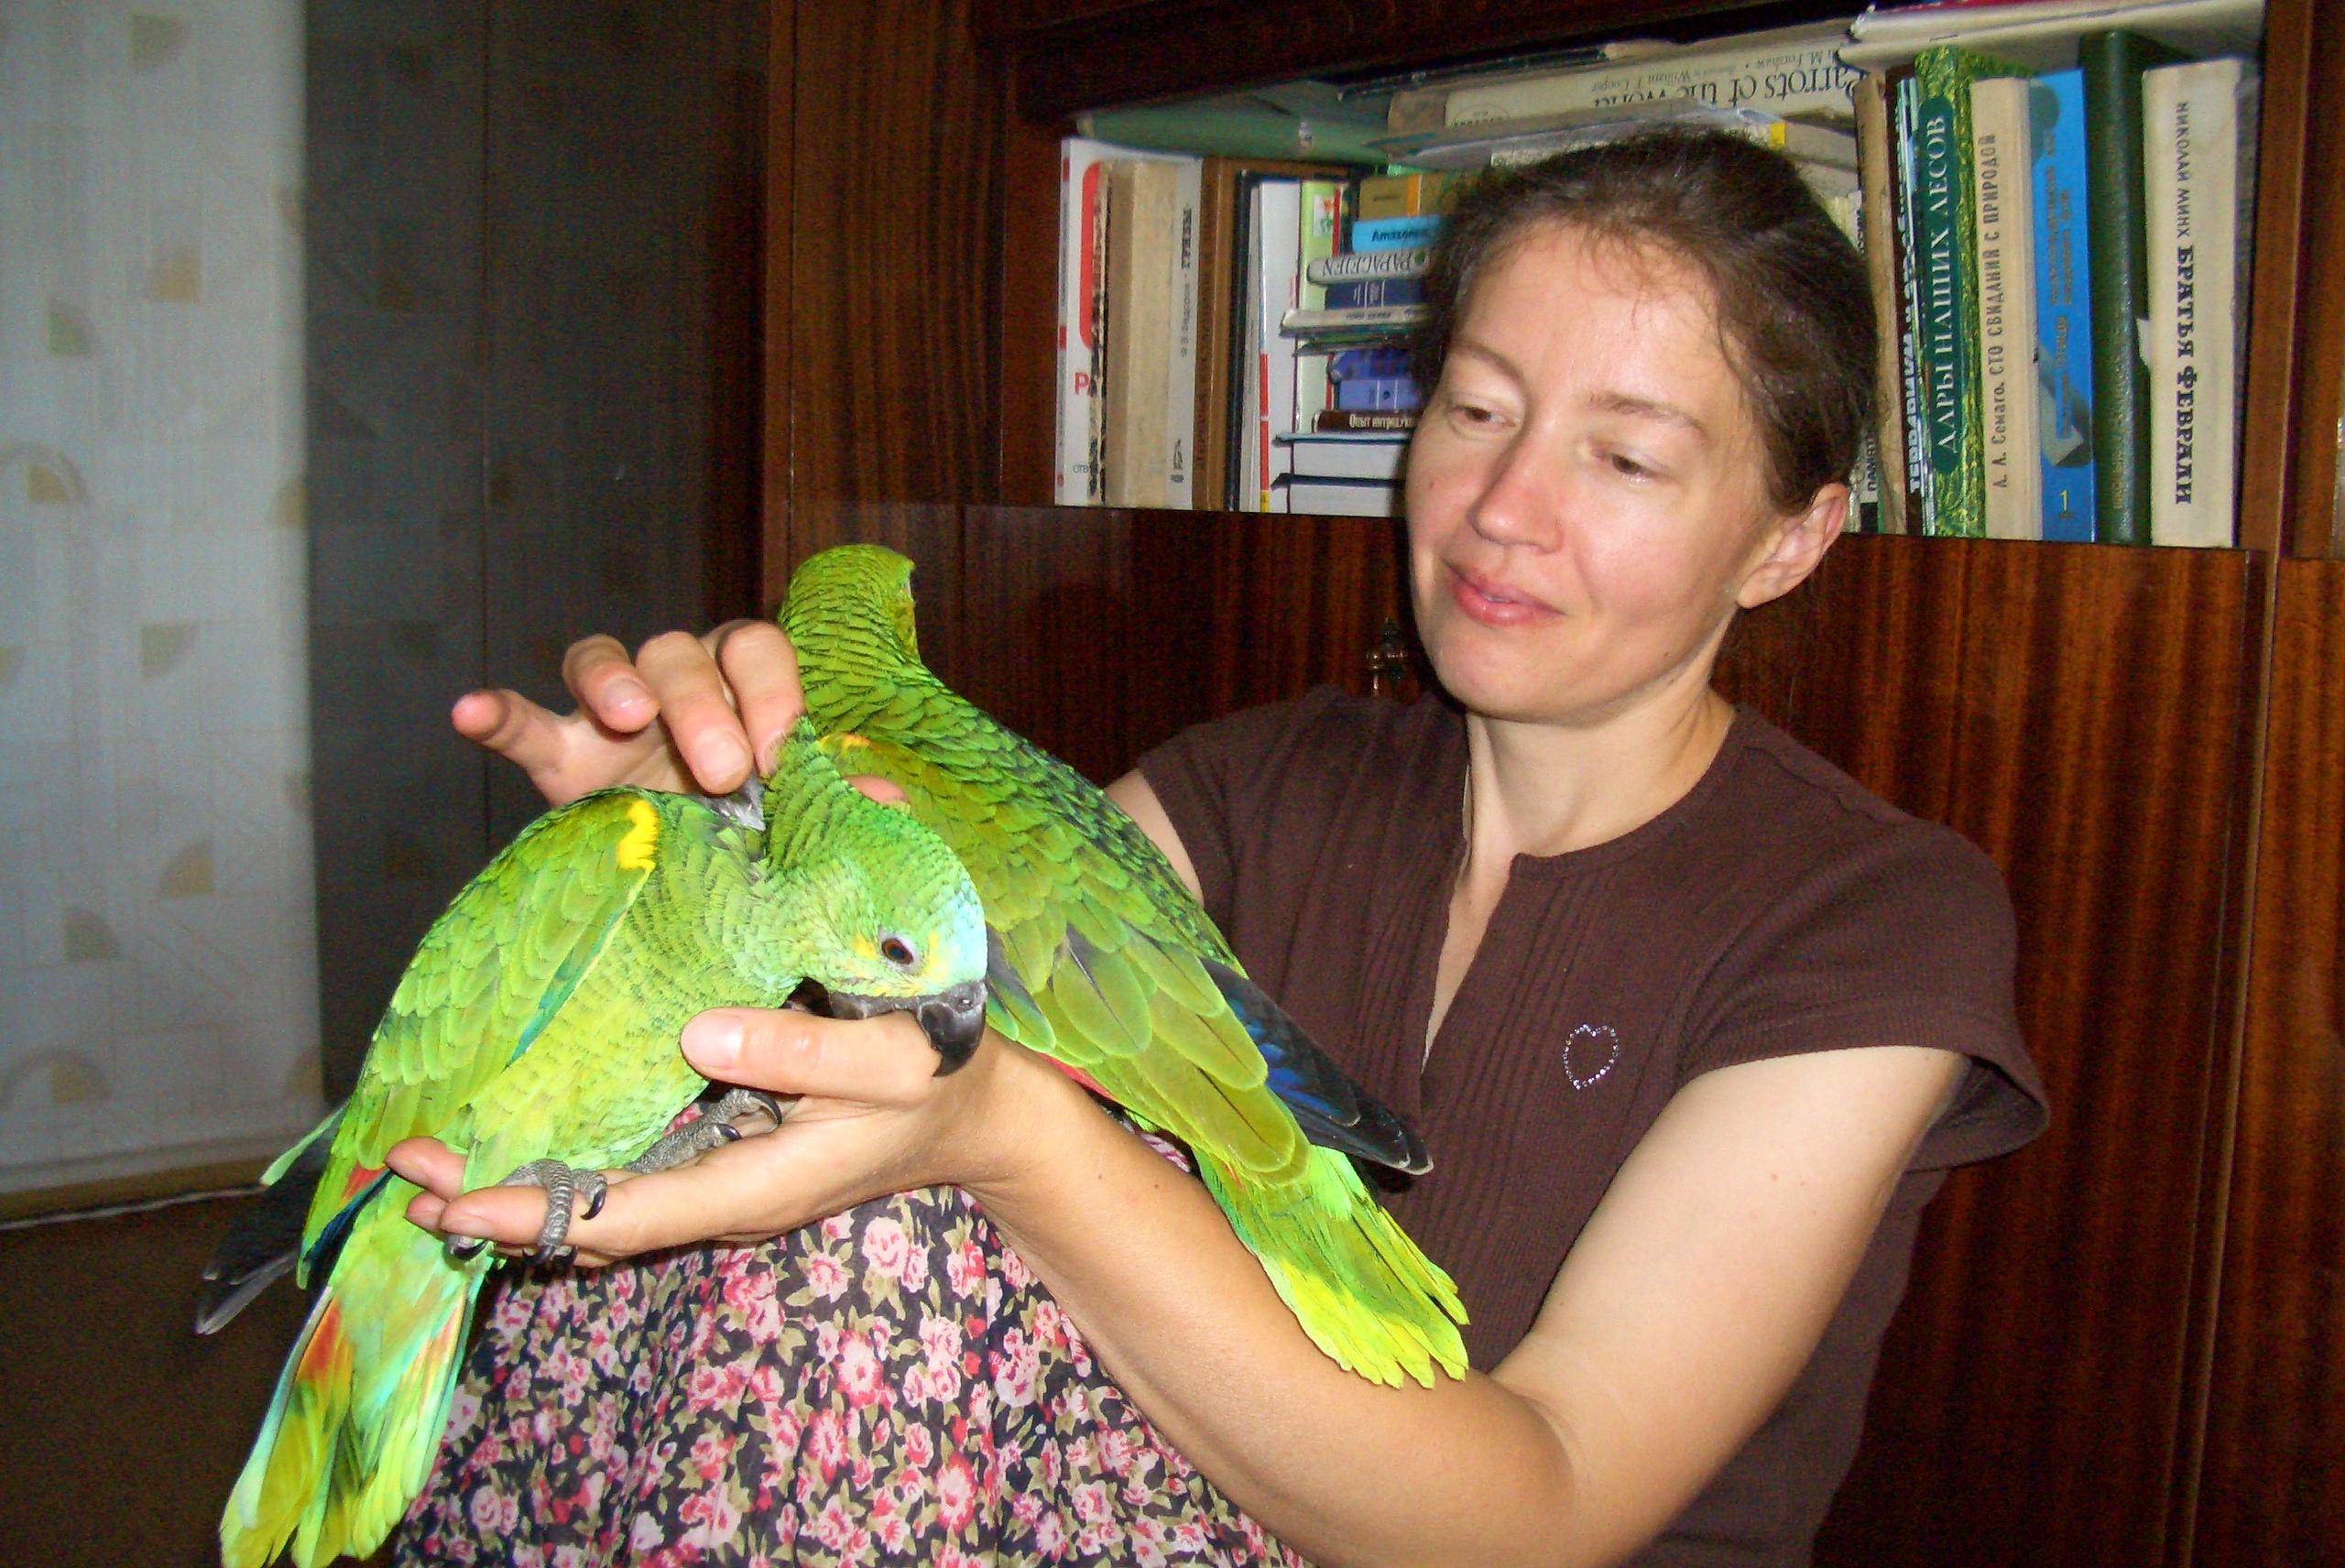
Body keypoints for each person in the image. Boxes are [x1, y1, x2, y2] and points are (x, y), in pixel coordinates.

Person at [386, 130, 2046, 1566]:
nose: (1501, 506)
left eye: (1622, 456)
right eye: (1477, 408)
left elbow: (1540, 1513)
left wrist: (1016, 1143)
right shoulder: (1266, 779)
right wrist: (732, 840)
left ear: (1789, 538)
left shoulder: (1877, 920)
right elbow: (884, 1027)